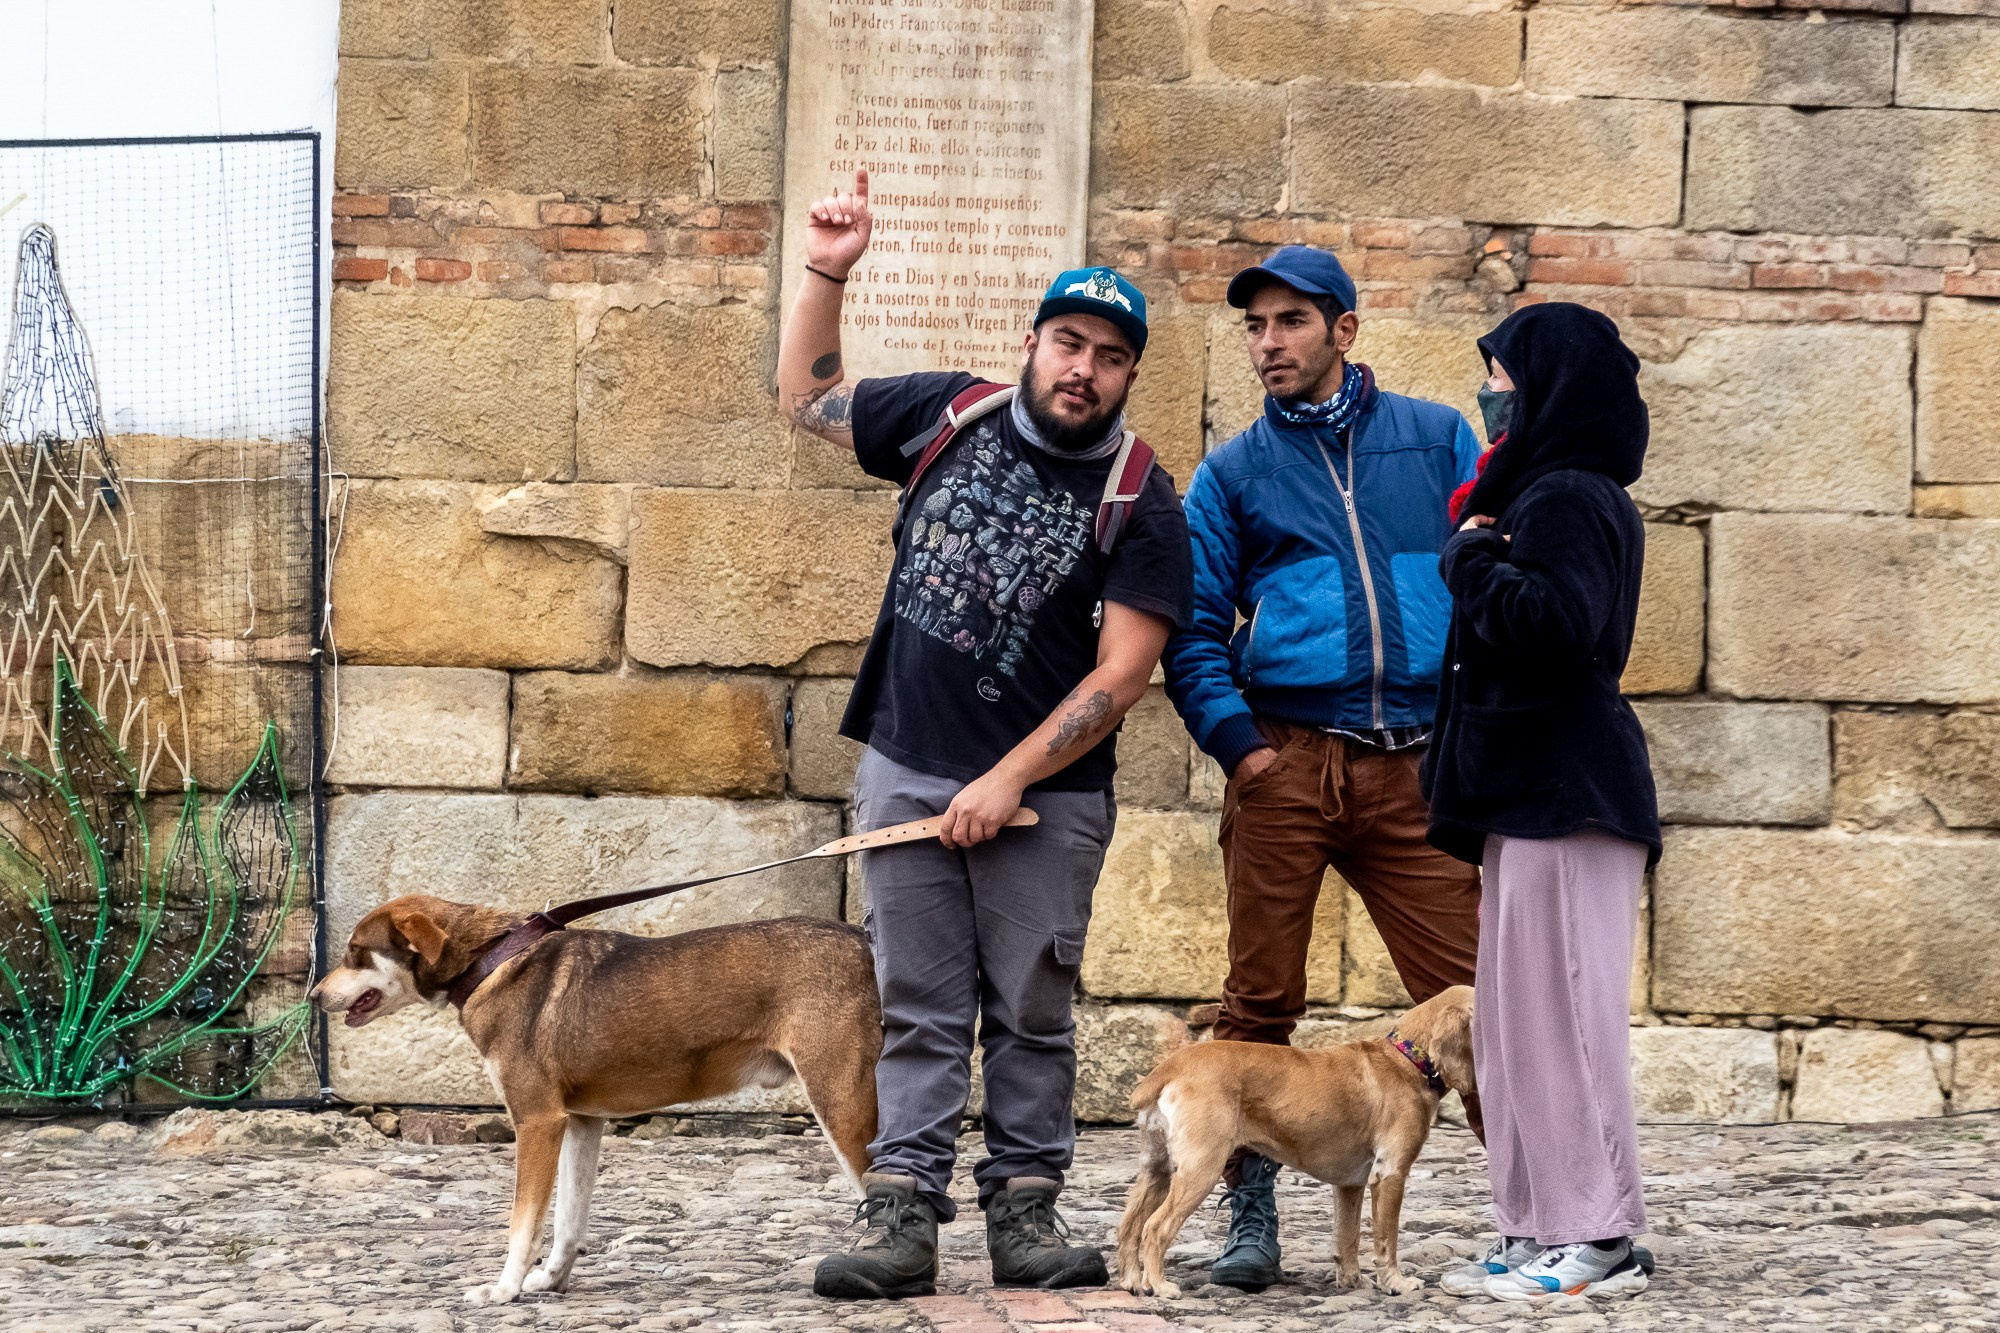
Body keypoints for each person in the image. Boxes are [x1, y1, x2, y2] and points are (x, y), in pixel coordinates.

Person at [777, 169, 1193, 1300]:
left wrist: (1008, 778)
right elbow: (804, 398)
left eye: (1109, 357)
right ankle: (898, 1214)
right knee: (913, 1005)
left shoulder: (1142, 494)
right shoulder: (944, 413)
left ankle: (1026, 1210)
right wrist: (828, 270)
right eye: (1068, 343)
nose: (1083, 370)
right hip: (906, 764)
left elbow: (1125, 670)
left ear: (1127, 373)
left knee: (1030, 1010)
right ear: (1033, 342)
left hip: (1048, 801)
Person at [1160, 245, 1485, 1292]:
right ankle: (1244, 1216)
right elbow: (1195, 628)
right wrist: (1242, 751)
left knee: (1487, 998)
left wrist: (1469, 728)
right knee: (1258, 998)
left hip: (1417, 770)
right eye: (1254, 326)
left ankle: (1543, 1211)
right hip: (1288, 761)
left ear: (1343, 329)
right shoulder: (1232, 472)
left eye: (1290, 322)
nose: (1268, 343)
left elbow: (1487, 575)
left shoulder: (1434, 439)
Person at [1423, 301, 1660, 1302]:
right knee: (1519, 1023)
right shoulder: (1541, 489)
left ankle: (1598, 1235)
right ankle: (1541, 1224)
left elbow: (1558, 626)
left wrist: (1472, 559)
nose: (1491, 395)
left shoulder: (1566, 494)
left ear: (1548, 385)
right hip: (1528, 792)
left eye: (1504, 378)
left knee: (1564, 1015)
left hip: (1568, 788)